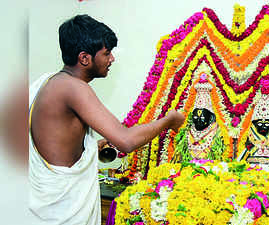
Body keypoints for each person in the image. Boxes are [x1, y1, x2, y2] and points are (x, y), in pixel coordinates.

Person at [29, 14, 185, 225]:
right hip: (61, 210)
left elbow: (58, 143)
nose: (112, 59)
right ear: (85, 58)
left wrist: (92, 147)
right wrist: (169, 120)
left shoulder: (49, 82)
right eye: (107, 53)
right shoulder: (74, 88)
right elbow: (126, 141)